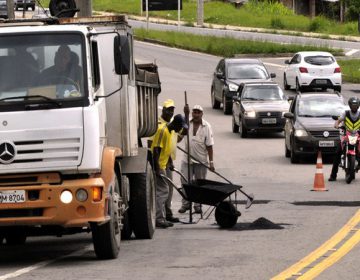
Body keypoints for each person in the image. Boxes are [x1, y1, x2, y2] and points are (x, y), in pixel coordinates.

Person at [151, 114, 188, 228]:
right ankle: (159, 219)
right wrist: (157, 168)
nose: (180, 130)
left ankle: (165, 215)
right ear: (175, 124)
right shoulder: (162, 130)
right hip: (159, 165)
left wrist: (170, 162)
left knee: (166, 191)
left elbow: (168, 149)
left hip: (164, 164)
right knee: (163, 192)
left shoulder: (170, 131)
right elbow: (156, 150)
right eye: (180, 127)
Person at [178, 105, 215, 214]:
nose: (196, 114)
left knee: (199, 184)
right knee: (185, 182)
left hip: (201, 161)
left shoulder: (206, 126)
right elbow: (179, 138)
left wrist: (211, 162)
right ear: (192, 113)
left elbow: (209, 145)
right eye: (194, 112)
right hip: (187, 159)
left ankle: (197, 205)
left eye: (198, 112)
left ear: (202, 114)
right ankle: (185, 204)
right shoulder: (187, 124)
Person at [328, 97, 360, 181]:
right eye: (353, 106)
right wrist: (336, 124)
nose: (354, 107)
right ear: (349, 106)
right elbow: (338, 120)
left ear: (358, 106)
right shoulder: (346, 113)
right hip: (346, 135)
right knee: (338, 152)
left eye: (356, 106)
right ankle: (333, 175)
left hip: (357, 135)